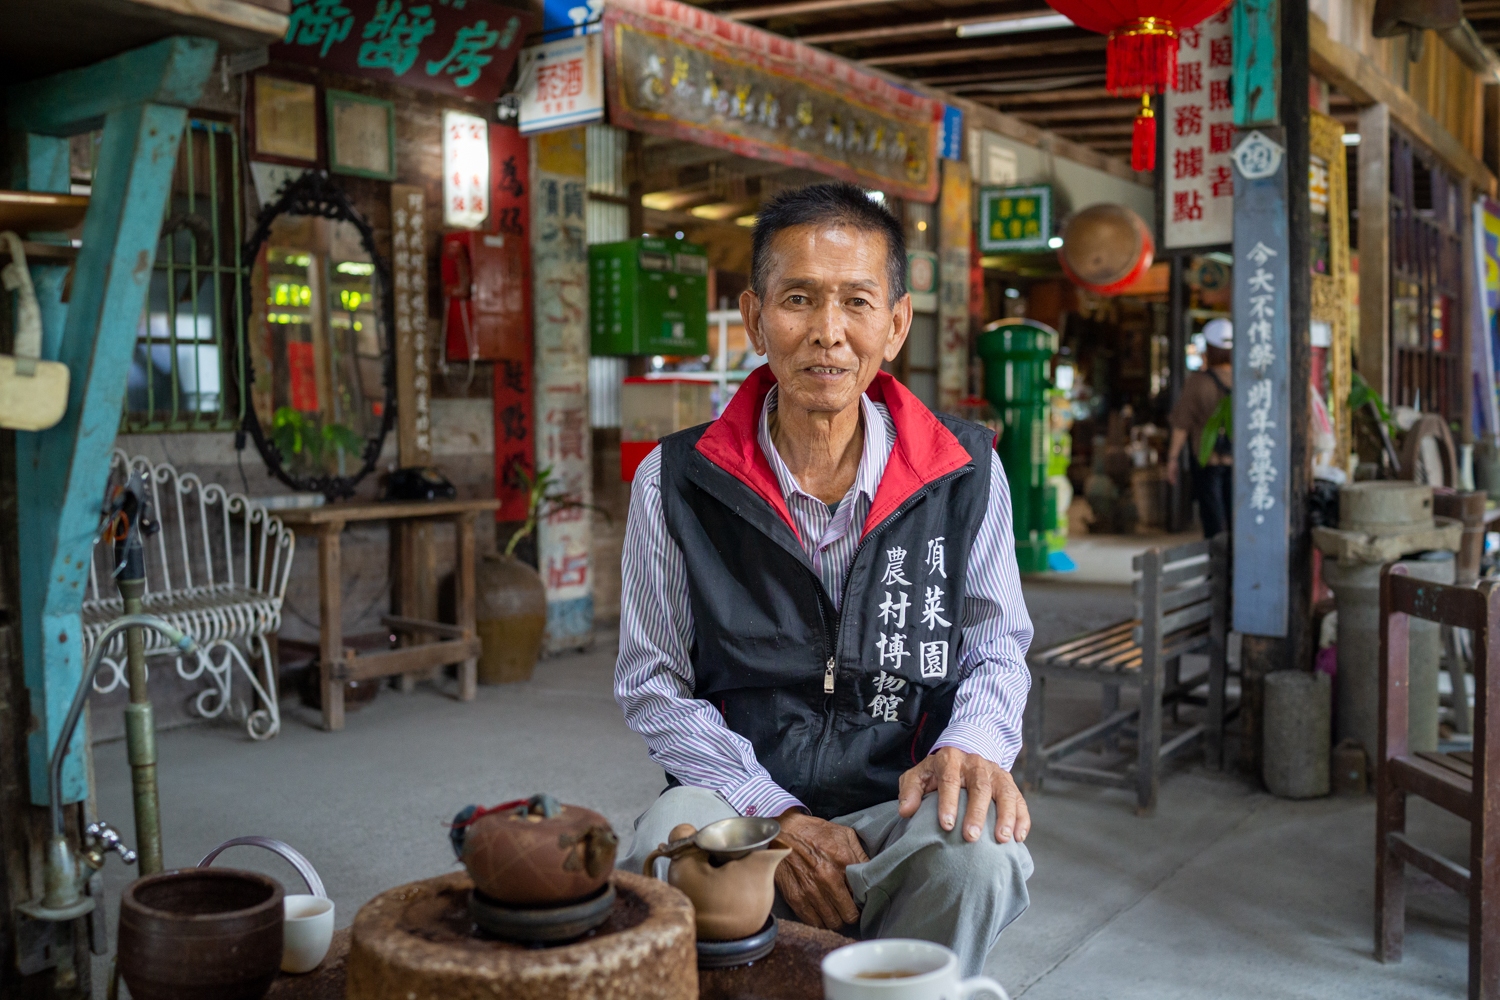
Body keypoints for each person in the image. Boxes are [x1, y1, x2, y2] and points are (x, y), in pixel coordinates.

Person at [614, 182, 1034, 977]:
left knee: (982, 854)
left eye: (856, 303)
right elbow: (653, 683)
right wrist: (776, 813)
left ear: (897, 323)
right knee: (670, 845)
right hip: (742, 795)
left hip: (897, 798)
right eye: (799, 299)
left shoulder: (964, 472)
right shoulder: (673, 481)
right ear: (754, 316)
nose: (828, 334)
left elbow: (996, 647)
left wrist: (972, 749)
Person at [1166, 318, 1233, 539]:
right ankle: (1236, 565)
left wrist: (1173, 458)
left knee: (1212, 515)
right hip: (1239, 459)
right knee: (1238, 515)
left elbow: (1182, 424)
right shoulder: (1246, 380)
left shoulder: (1198, 382)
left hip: (1207, 457)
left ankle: (1217, 564)